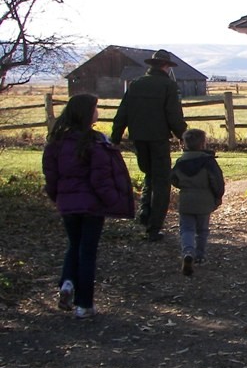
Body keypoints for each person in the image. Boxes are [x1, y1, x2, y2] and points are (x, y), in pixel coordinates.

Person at [43, 93, 135, 319]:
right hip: (92, 206)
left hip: (67, 203)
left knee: (73, 245)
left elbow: (51, 175)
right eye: (95, 108)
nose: (98, 112)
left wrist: (57, 197)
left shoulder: (56, 142)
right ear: (86, 113)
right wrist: (113, 201)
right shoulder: (95, 142)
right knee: (87, 252)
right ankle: (84, 304)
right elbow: (100, 178)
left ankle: (67, 283)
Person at [111, 49, 187, 241]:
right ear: (166, 66)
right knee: (161, 181)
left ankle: (145, 214)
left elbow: (123, 112)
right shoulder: (168, 86)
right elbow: (174, 115)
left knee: (149, 175)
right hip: (158, 138)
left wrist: (116, 137)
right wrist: (183, 135)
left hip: (138, 138)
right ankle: (154, 227)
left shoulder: (136, 84)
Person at [170, 128, 225, 276]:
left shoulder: (180, 162)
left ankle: (188, 251)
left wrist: (184, 186)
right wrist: (218, 196)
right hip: (204, 200)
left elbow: (173, 179)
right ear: (203, 144)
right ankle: (200, 256)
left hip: (186, 200)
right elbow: (217, 181)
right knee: (202, 230)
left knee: (186, 229)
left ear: (185, 144)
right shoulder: (208, 162)